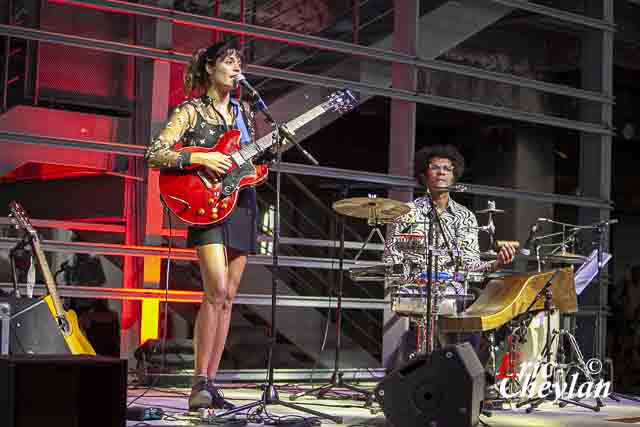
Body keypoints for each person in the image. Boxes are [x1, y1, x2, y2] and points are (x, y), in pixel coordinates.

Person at [145, 40, 262, 411]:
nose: (236, 68)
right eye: (229, 61)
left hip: (241, 201)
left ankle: (211, 383)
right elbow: (155, 152)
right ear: (211, 68)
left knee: (229, 296)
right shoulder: (192, 110)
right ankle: (198, 381)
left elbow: (249, 163)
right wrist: (202, 157)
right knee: (216, 288)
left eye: (239, 62)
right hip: (206, 204)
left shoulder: (245, 111)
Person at [383, 144, 516, 351]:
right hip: (416, 288)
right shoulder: (406, 212)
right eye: (435, 167)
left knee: (473, 315)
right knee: (417, 344)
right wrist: (409, 277)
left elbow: (471, 265)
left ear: (454, 176)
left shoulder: (465, 217)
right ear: (425, 174)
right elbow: (391, 257)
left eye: (447, 168)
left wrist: (497, 263)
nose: (441, 172)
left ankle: (464, 368)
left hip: (452, 291)